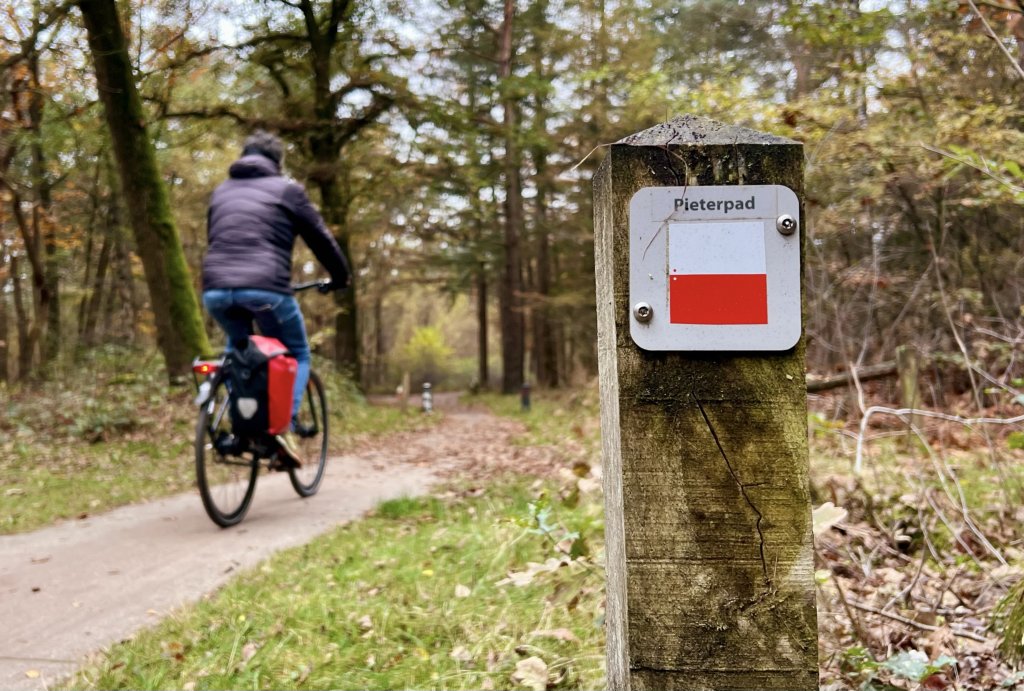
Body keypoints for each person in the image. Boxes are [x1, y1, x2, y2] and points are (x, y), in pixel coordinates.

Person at [201, 130, 350, 467]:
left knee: (238, 353)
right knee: (296, 353)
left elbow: (218, 237)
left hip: (215, 290)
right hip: (266, 293)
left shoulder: (221, 192)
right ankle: (285, 426)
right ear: (277, 162)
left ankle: (242, 427)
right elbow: (322, 240)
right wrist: (341, 277)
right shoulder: (288, 190)